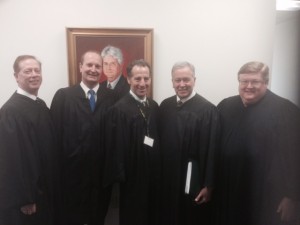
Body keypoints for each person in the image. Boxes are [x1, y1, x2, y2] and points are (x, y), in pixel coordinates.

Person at [215, 61, 300, 225]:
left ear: (266, 83)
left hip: (267, 196)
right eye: (244, 81)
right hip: (230, 190)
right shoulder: (225, 106)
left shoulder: (287, 111)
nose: (248, 86)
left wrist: (292, 197)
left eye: (255, 81)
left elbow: (295, 158)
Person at [50, 50, 115, 225]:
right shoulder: (64, 96)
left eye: (97, 66)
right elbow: (54, 138)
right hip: (71, 176)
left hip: (101, 177)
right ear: (80, 67)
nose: (93, 69)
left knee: (98, 217)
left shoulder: (112, 99)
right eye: (89, 65)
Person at [0, 55, 60, 225]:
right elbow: (12, 160)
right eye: (27, 71)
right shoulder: (11, 112)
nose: (34, 74)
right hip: (29, 199)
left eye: (37, 70)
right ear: (16, 76)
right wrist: (25, 198)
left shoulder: (39, 104)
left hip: (45, 190)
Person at [159, 61, 220, 225]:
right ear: (172, 81)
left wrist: (208, 185)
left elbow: (212, 150)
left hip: (193, 176)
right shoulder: (165, 106)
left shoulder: (207, 110)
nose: (182, 84)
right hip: (168, 176)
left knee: (190, 217)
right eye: (177, 80)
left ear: (194, 80)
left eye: (186, 79)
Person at [104, 59, 160, 225]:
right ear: (128, 79)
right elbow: (115, 149)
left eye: (146, 78)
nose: (142, 83)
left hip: (154, 176)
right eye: (137, 79)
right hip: (132, 180)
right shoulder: (118, 110)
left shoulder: (154, 106)